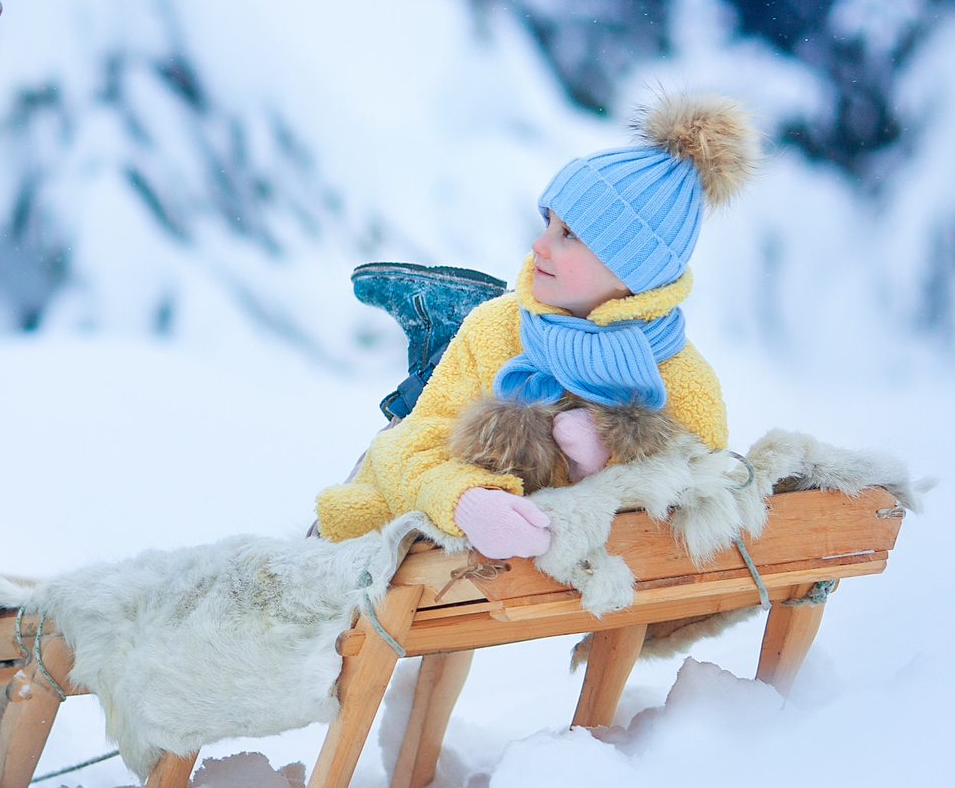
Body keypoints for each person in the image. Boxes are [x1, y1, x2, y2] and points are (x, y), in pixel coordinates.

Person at [314, 93, 759, 559]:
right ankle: (435, 338)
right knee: (403, 423)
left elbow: (695, 504)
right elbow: (408, 448)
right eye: (548, 222)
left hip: (539, 583)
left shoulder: (683, 382)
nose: (538, 245)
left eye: (570, 234)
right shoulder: (498, 328)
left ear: (633, 271)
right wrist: (466, 502)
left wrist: (606, 468)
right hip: (379, 545)